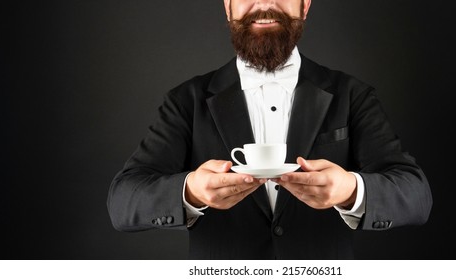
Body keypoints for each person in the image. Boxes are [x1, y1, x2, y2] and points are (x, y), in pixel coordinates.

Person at [107, 0, 432, 259]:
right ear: (228, 6)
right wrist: (190, 191)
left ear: (305, 5)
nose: (264, 4)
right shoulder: (185, 100)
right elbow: (123, 202)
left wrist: (350, 189)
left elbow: (416, 196)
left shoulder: (353, 94)